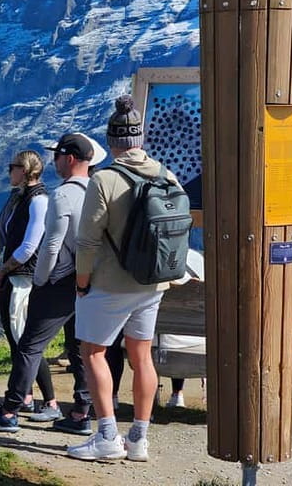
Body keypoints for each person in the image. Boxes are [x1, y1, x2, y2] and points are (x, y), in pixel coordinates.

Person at [68, 94, 181, 462]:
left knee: (93, 352)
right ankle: (138, 439)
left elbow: (87, 240)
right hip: (152, 282)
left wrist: (81, 281)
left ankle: (106, 436)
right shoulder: (166, 174)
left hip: (109, 283)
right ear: (140, 138)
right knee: (141, 356)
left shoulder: (104, 179)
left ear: (111, 140)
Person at [0, 149, 55, 432]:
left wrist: (4, 268)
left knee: (25, 341)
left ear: (25, 170)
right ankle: (26, 396)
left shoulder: (38, 200)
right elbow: (6, 237)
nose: (8, 171)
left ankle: (50, 401)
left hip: (23, 279)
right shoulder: (18, 197)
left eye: (13, 166)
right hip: (10, 275)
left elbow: (29, 246)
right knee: (16, 339)